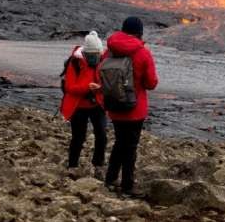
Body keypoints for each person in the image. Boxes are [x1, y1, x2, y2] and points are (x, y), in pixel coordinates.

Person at [104, 17, 159, 198]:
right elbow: (151, 83)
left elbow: (101, 74)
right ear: (139, 32)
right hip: (135, 108)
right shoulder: (143, 53)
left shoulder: (109, 51)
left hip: (114, 105)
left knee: (119, 142)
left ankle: (110, 178)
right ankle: (127, 185)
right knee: (130, 147)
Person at [60, 31, 107, 177]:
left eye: (97, 54)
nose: (95, 57)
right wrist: (87, 87)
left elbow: (107, 83)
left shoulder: (103, 61)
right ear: (85, 52)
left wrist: (100, 88)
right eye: (92, 54)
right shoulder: (74, 63)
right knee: (78, 137)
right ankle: (72, 166)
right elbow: (69, 87)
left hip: (97, 104)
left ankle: (98, 165)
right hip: (79, 106)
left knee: (102, 135)